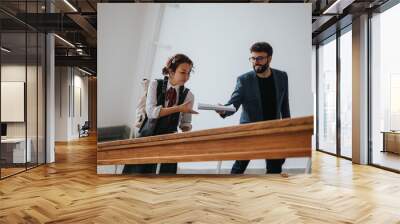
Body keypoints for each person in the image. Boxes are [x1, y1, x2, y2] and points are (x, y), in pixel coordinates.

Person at [217, 42, 291, 174]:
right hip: (250, 131)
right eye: (253, 58)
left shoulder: (282, 76)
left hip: (273, 131)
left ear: (269, 58)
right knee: (239, 167)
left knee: (275, 169)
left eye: (260, 58)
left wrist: (287, 132)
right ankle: (232, 190)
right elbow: (234, 104)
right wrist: (224, 110)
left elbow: (285, 105)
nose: (256, 62)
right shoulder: (244, 80)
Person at [123, 53, 198, 174]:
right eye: (183, 72)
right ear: (172, 71)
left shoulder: (189, 95)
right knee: (136, 173)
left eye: (189, 73)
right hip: (148, 135)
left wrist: (186, 128)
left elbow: (185, 123)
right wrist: (179, 108)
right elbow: (152, 112)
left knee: (166, 176)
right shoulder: (155, 84)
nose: (186, 76)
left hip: (170, 140)